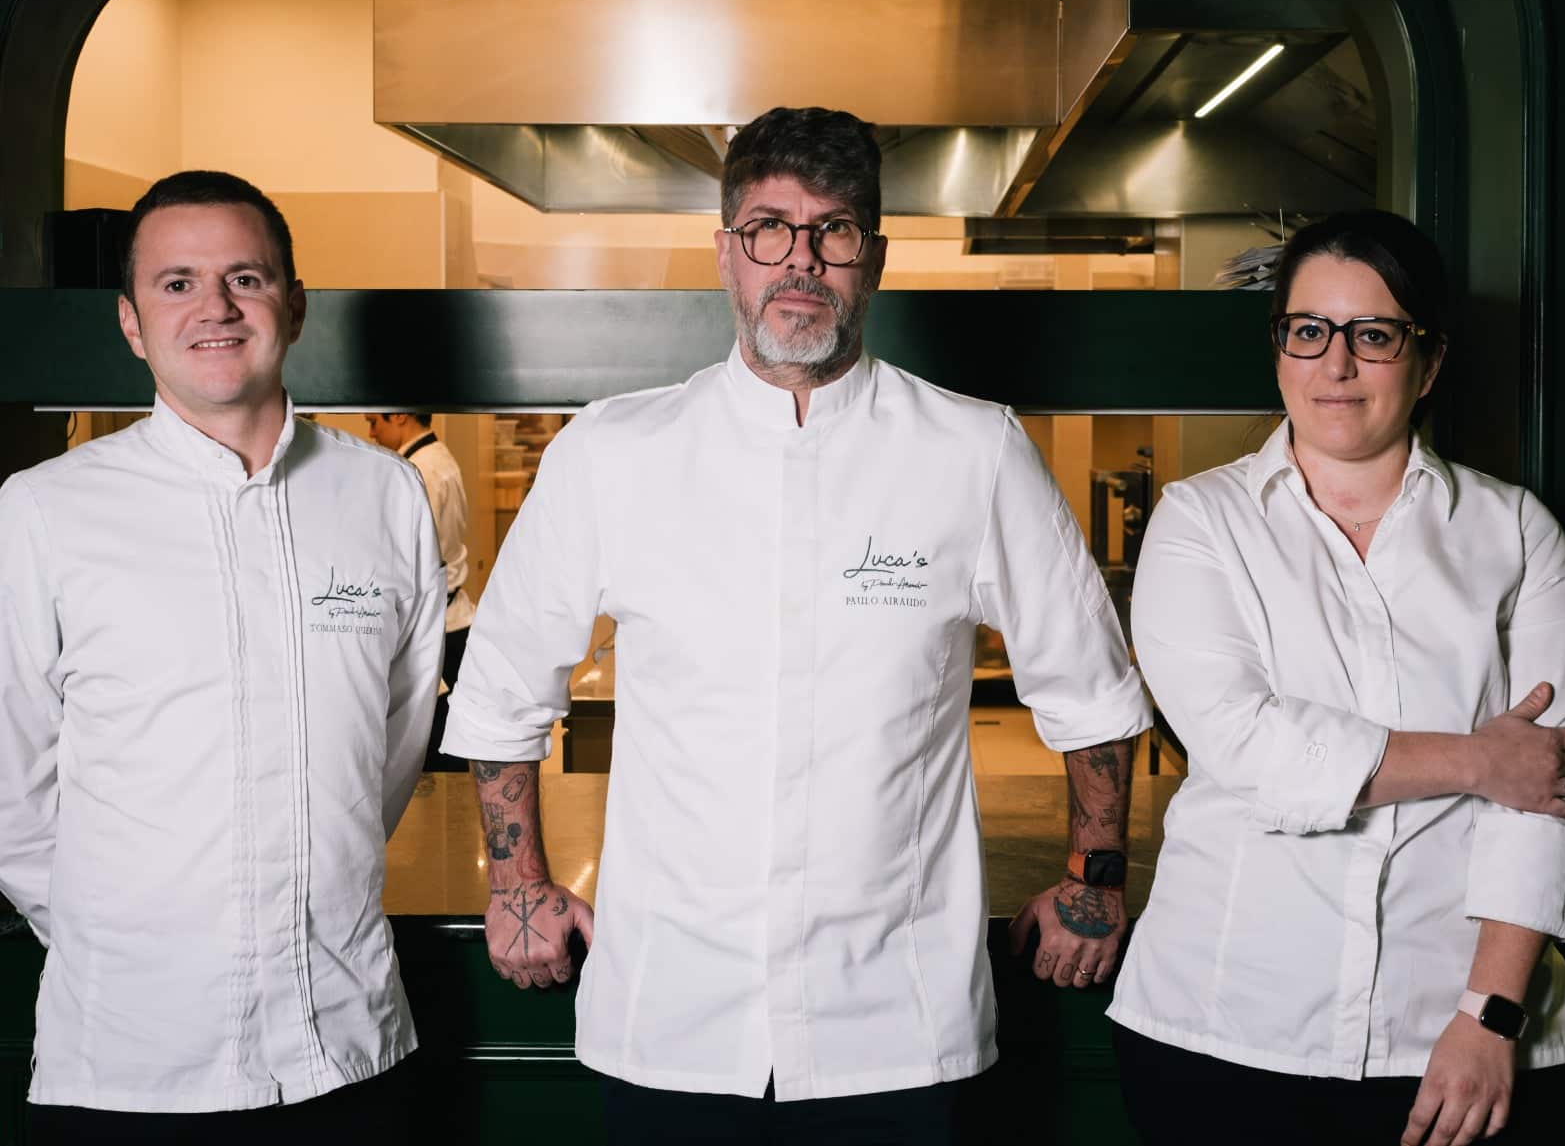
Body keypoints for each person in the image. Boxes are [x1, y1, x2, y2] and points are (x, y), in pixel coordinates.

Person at [441, 106, 1152, 1144]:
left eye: (835, 230)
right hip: (670, 1015)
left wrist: (1095, 879)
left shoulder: (975, 451)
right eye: (769, 228)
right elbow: (503, 687)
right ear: (725, 253)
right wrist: (518, 885)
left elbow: (1089, 689)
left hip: (898, 1020)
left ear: (876, 258)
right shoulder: (613, 451)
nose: (801, 259)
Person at [1108, 209, 1565, 1146]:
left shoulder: (1519, 532)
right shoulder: (1199, 521)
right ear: (1279, 348)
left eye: (1374, 334)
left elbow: (1545, 799)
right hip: (1222, 1025)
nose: (1335, 364)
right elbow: (1250, 746)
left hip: (1457, 1038)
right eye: (1308, 330)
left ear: (1429, 361)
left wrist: (1491, 1013)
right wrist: (1480, 760)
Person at [0, 171, 447, 1144]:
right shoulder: (42, 511)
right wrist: (116, 930)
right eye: (178, 284)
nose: (215, 307)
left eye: (246, 278)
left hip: (348, 1044)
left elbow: (390, 747)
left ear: (295, 303)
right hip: (130, 1066)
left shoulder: (385, 497)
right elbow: (11, 790)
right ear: (131, 322)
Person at [366, 411, 477, 769]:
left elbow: (407, 559)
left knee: (435, 750)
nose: (371, 433)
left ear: (399, 416)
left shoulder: (419, 472)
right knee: (448, 744)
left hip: (436, 626)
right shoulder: (439, 458)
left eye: (374, 422)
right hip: (454, 620)